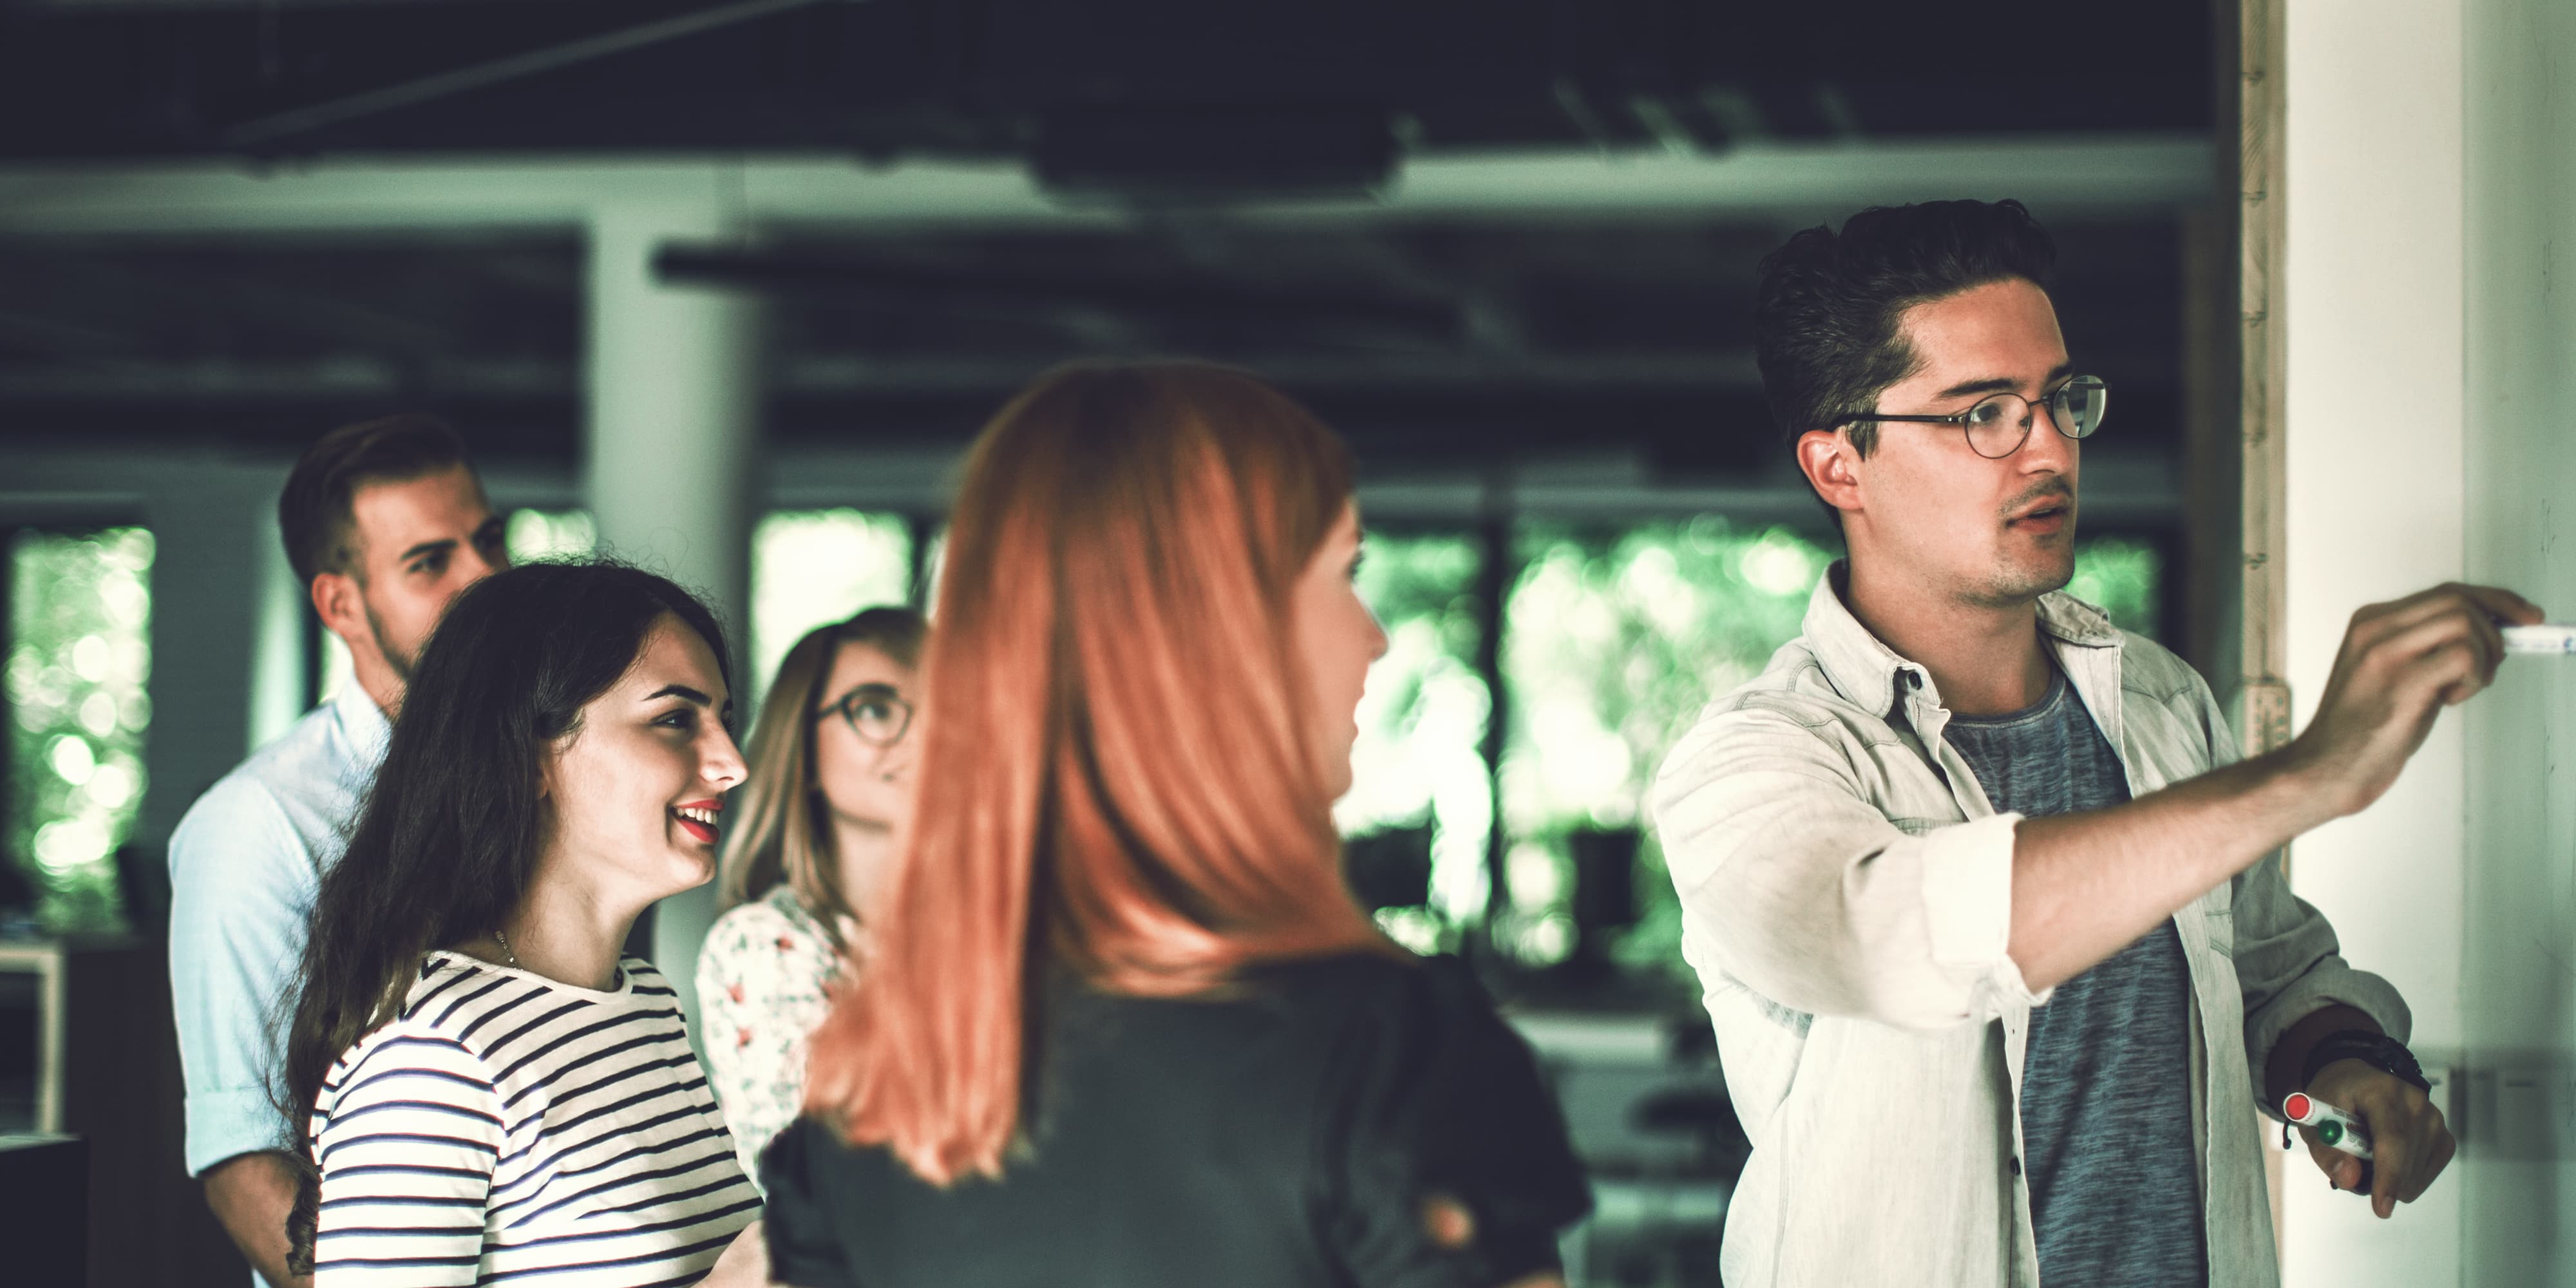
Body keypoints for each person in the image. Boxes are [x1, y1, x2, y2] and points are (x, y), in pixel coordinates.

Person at [1653, 199, 2534, 1286]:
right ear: (1841, 466)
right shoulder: (1755, 765)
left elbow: (2270, 972)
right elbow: (1894, 939)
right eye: (1983, 413)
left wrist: (2343, 1063)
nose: (2051, 445)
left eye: (2060, 399)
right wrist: (2310, 774)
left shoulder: (2159, 701)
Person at [759, 361, 1593, 1288]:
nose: (1375, 635)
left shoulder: (863, 1093)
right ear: (1221, 632)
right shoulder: (1394, 1062)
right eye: (1344, 574)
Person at [278, 562, 766, 1286]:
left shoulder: (643, 1001)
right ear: (530, 756)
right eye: (673, 718)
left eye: (723, 721)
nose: (732, 763)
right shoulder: (434, 1053)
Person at [169, 413, 509, 1287]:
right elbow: (244, 1162)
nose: (487, 578)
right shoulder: (258, 825)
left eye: (488, 540)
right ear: (340, 603)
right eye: (432, 562)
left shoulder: (539, 782)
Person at [698, 606, 927, 1182]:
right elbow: (814, 1191)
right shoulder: (764, 947)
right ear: (804, 746)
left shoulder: (999, 929)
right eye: (875, 709)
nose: (925, 735)